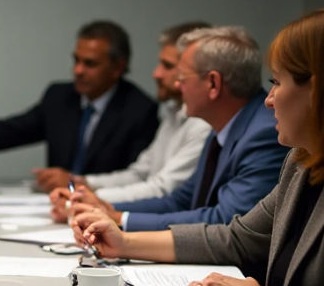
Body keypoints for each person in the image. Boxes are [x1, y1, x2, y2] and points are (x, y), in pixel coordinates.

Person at [72, 7, 324, 286]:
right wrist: (123, 243)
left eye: (278, 83)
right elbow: (236, 237)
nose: (268, 100)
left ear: (320, 91)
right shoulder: (305, 161)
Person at [66, 26, 289, 232]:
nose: (176, 85)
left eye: (182, 77)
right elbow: (182, 199)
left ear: (213, 84)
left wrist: (120, 219)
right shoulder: (222, 127)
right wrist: (109, 209)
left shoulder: (263, 134)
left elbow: (225, 220)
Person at [0, 20, 161, 191]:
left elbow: (137, 177)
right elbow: (14, 130)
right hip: (55, 208)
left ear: (118, 67)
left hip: (106, 213)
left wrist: (78, 182)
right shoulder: (60, 97)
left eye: (90, 64)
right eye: (76, 60)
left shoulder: (140, 110)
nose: (78, 70)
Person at [45, 21, 212, 203]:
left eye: (168, 66)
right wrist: (83, 183)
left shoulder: (205, 123)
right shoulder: (173, 113)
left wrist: (87, 197)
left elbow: (164, 188)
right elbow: (140, 174)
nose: (156, 74)